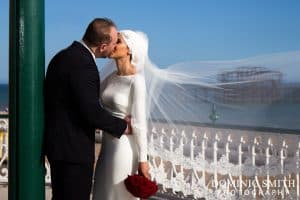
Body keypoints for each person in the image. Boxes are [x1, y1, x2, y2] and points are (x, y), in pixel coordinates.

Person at [44, 18, 131, 200]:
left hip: (59, 146)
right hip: (73, 151)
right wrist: (122, 126)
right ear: (102, 46)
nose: (115, 46)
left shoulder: (62, 56)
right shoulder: (83, 64)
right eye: (114, 42)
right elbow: (90, 111)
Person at [92, 30, 150, 200]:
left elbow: (139, 124)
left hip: (123, 148)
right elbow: (95, 106)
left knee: (117, 193)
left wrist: (143, 160)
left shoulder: (136, 80)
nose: (113, 44)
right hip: (107, 146)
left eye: (118, 42)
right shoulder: (110, 78)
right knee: (103, 191)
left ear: (129, 50)